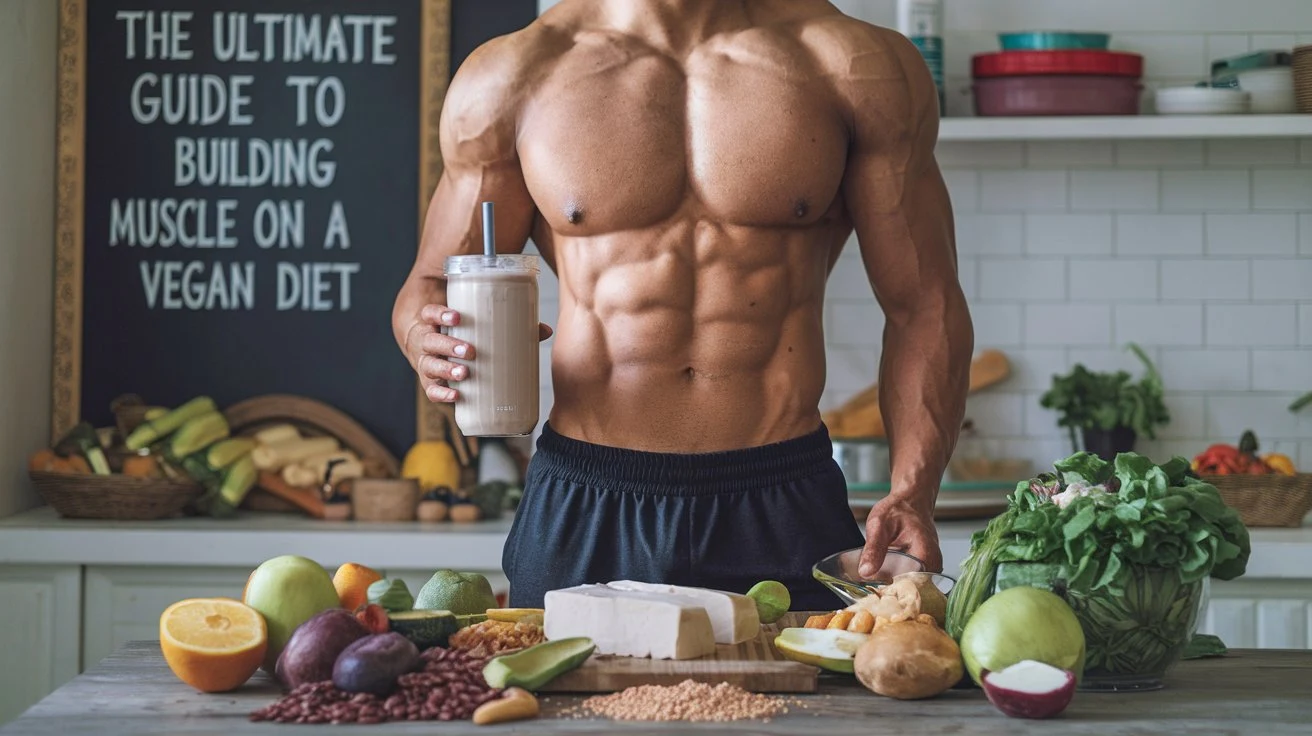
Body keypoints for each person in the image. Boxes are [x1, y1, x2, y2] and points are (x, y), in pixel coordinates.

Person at [392, 0, 973, 610]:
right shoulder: (511, 75)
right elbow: (431, 284)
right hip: (586, 497)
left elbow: (924, 304)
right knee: (567, 704)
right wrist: (424, 339)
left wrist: (914, 488)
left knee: (815, 707)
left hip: (780, 495)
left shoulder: (853, 65)